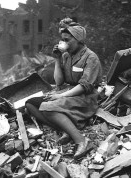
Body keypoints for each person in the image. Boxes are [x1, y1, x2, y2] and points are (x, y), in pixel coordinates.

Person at [25, 20, 102, 159]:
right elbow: (59, 81)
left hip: (85, 96)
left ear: (78, 39)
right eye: (62, 40)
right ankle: (65, 129)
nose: (64, 43)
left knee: (48, 107)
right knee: (30, 104)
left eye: (67, 40)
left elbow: (84, 86)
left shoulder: (91, 57)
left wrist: (61, 96)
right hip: (67, 91)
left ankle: (81, 140)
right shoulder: (66, 55)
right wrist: (57, 59)